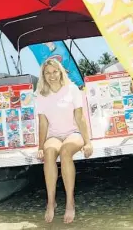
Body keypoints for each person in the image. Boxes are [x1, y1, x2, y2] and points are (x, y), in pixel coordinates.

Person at [35, 59, 93, 224]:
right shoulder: (41, 94)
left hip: (73, 133)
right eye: (48, 73)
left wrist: (87, 142)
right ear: (43, 76)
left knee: (66, 151)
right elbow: (43, 123)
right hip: (53, 135)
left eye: (55, 71)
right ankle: (51, 202)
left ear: (60, 72)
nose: (52, 75)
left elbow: (80, 117)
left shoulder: (72, 89)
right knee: (49, 152)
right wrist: (40, 146)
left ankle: (69, 202)